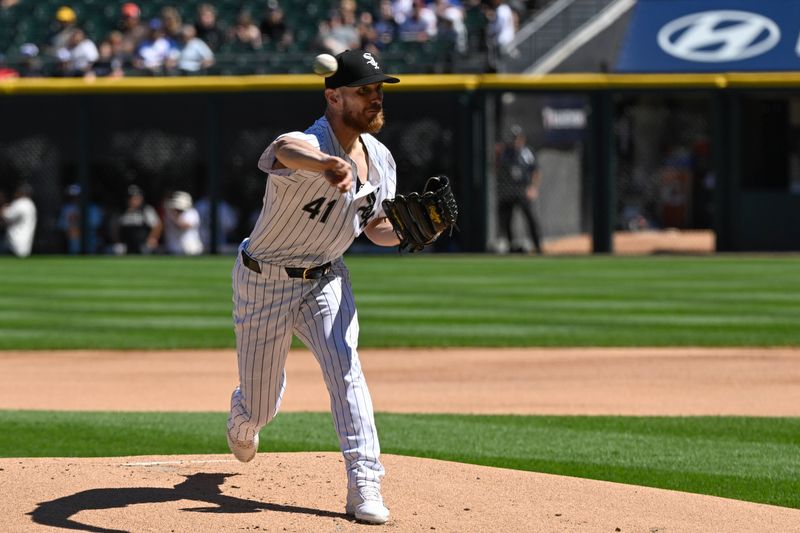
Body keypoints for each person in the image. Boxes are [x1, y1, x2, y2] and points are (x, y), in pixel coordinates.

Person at [226, 49, 400, 525]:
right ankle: (243, 415)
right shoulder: (309, 141)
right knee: (261, 405)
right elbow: (284, 149)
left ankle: (365, 479)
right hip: (266, 279)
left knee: (346, 369)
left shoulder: (381, 159)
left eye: (378, 89)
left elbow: (376, 227)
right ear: (333, 96)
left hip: (326, 275)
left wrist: (408, 233)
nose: (375, 98)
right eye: (364, 91)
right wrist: (326, 163)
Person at [496, 124, 543, 253]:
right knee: (507, 219)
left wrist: (533, 188)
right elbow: (496, 169)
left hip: (523, 189)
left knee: (530, 218)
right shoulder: (505, 152)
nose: (515, 141)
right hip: (508, 190)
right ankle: (512, 246)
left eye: (517, 138)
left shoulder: (527, 152)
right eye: (512, 138)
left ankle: (538, 246)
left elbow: (535, 171)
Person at [113, 184, 162, 254]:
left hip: (143, 244)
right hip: (125, 244)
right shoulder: (122, 211)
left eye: (136, 198)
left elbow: (158, 225)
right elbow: (115, 227)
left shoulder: (146, 210)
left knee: (147, 249)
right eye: (131, 198)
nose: (134, 200)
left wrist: (152, 238)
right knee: (117, 249)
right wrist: (117, 241)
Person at [1, 183, 37, 257]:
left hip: (15, 240)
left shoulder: (21, 203)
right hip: (22, 239)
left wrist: (2, 205)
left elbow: (6, 215)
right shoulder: (30, 204)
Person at [163, 191, 203, 255]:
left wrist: (174, 216)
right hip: (173, 250)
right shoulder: (169, 213)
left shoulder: (191, 213)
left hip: (191, 250)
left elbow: (183, 226)